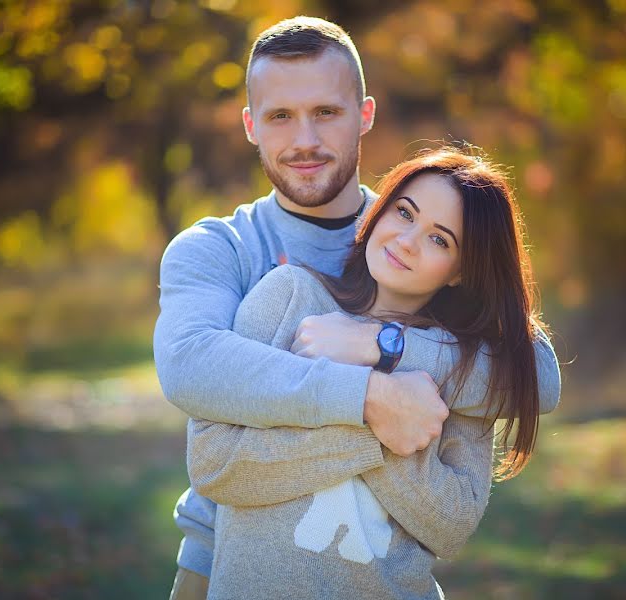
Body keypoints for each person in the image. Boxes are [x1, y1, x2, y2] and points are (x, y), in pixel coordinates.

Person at [153, 17, 560, 600]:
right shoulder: (223, 248)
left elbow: (536, 376)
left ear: (365, 114)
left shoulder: (421, 239)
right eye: (280, 116)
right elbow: (191, 364)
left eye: (326, 112)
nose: (305, 140)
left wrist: (384, 347)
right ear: (250, 126)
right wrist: (374, 401)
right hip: (222, 557)